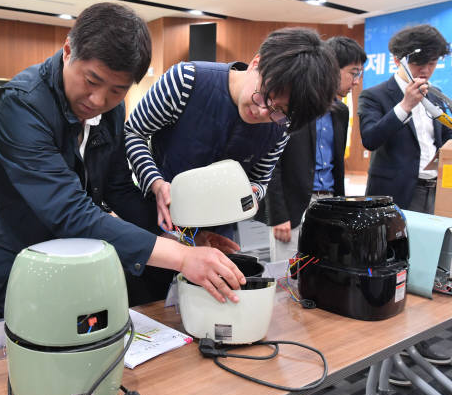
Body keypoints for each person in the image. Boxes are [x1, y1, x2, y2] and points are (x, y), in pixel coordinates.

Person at [0, 2, 246, 322]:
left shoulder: (111, 112)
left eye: (117, 90)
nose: (98, 101)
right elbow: (72, 213)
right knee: (14, 358)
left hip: (63, 260)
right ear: (67, 52)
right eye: (91, 81)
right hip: (5, 261)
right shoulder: (20, 106)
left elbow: (118, 190)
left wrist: (187, 236)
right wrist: (183, 257)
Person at [124, 27, 340, 300]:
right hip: (156, 221)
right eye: (264, 95)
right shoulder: (186, 81)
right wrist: (155, 183)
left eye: (279, 112)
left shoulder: (281, 128)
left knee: (205, 310)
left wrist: (250, 196)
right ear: (257, 62)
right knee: (149, 307)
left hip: (214, 236)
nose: (262, 112)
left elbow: (260, 180)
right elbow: (133, 131)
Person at [358, 24, 452, 370]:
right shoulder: (375, 95)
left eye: (432, 63)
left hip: (433, 193)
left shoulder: (437, 94)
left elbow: (451, 137)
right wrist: (404, 106)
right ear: (399, 60)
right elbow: (369, 139)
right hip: (394, 197)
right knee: (393, 268)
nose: (426, 70)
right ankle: (386, 352)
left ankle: (420, 340)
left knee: (427, 268)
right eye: (420, 63)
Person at [260, 36, 367, 262]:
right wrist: (278, 215)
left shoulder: (341, 111)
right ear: (330, 68)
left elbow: (337, 165)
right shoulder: (291, 105)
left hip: (328, 204)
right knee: (287, 278)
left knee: (324, 270)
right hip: (293, 207)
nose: (357, 81)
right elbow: (272, 164)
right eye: (354, 72)